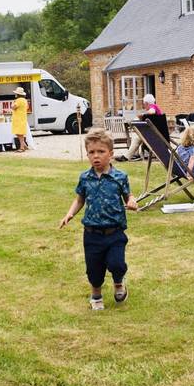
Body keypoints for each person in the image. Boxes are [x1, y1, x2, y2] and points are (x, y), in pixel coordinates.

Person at [60, 128, 138, 311]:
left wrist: (132, 201)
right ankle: (96, 292)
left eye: (101, 152)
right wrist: (69, 214)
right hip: (92, 233)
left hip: (115, 231)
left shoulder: (120, 177)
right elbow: (79, 199)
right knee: (94, 269)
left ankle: (118, 282)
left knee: (117, 264)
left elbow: (128, 196)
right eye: (91, 152)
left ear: (110, 154)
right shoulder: (85, 178)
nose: (96, 156)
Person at [116, 94, 164, 161]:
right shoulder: (155, 108)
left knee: (137, 137)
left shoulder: (153, 107)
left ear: (147, 103)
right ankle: (133, 155)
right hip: (155, 133)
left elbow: (152, 112)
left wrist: (143, 114)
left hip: (156, 135)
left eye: (144, 104)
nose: (144, 106)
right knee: (136, 136)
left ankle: (128, 156)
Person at [11, 87, 29, 152]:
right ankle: (24, 145)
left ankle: (22, 147)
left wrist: (12, 103)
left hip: (18, 118)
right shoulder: (25, 100)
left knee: (19, 133)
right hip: (23, 117)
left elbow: (13, 107)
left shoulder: (18, 100)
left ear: (17, 94)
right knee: (20, 133)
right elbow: (27, 107)